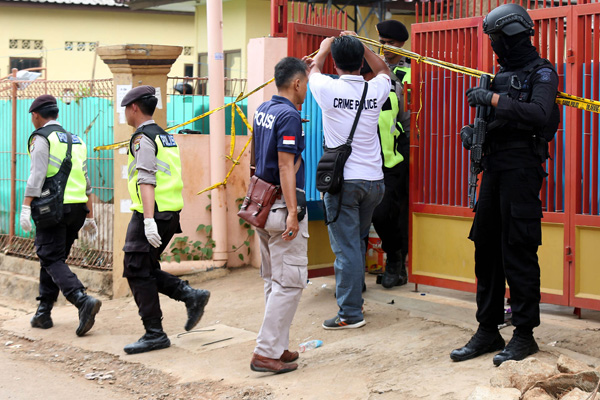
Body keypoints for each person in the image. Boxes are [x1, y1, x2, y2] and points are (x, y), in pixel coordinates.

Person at [450, 4, 559, 366]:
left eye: (496, 40)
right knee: (486, 249)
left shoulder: (542, 72)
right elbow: (501, 121)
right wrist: (475, 132)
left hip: (522, 171)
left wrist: (494, 100)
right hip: (494, 171)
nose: (495, 47)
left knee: (519, 250)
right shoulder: (499, 75)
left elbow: (540, 115)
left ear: (509, 37)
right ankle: (487, 329)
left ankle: (524, 334)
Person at [307, 33, 390, 329]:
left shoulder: (327, 89)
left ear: (336, 62)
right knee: (355, 242)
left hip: (344, 184)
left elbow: (311, 69)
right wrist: (363, 46)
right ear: (359, 61)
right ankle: (355, 301)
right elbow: (384, 70)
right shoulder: (375, 88)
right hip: (374, 183)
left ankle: (350, 313)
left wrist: (323, 48)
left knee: (346, 249)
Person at [121, 85, 210, 355]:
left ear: (134, 107)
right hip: (169, 214)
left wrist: (148, 220)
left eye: (125, 108)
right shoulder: (163, 135)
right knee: (143, 268)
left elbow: (147, 178)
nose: (124, 113)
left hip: (153, 214)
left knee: (136, 268)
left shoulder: (142, 138)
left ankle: (155, 333)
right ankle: (190, 295)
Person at [20, 94, 101, 336]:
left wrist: (25, 206)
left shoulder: (41, 137)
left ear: (36, 115)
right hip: (77, 209)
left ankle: (81, 299)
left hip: (53, 209)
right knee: (54, 259)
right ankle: (43, 312)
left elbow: (37, 175)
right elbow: (86, 181)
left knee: (50, 257)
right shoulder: (77, 140)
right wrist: (90, 216)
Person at [249, 57, 309, 374]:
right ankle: (265, 352)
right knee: (290, 282)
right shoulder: (289, 116)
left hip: (261, 204)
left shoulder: (264, 110)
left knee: (275, 281)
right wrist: (293, 213)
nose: (306, 89)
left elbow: (256, 156)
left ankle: (277, 347)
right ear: (297, 83)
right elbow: (286, 166)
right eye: (305, 83)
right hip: (281, 208)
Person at [373, 19, 411, 288]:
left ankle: (397, 262)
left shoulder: (408, 73)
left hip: (398, 149)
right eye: (381, 43)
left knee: (391, 210)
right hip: (368, 152)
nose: (384, 48)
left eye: (388, 44)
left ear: (400, 44)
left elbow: (408, 114)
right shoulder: (373, 70)